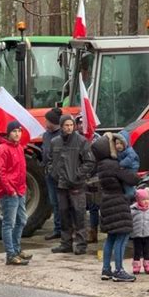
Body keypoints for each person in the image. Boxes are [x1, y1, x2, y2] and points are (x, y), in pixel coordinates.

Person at [91, 133, 140, 282]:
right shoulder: (114, 165)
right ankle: (119, 270)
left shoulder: (101, 165)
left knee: (111, 237)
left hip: (106, 201)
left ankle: (106, 269)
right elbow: (131, 179)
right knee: (123, 235)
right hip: (118, 202)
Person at [48, 114, 95, 255]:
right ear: (61, 126)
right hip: (60, 185)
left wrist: (77, 175)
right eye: (66, 125)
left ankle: (81, 244)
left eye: (71, 125)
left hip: (76, 185)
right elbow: (50, 160)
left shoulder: (81, 141)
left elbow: (90, 162)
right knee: (63, 215)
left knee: (79, 215)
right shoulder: (55, 142)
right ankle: (65, 243)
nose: (69, 128)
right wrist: (53, 172)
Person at [0, 121, 32, 265]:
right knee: (9, 223)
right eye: (14, 131)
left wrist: (23, 187)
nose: (17, 134)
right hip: (9, 192)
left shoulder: (20, 148)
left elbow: (21, 170)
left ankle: (16, 248)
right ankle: (10, 254)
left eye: (19, 131)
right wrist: (10, 190)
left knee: (22, 220)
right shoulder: (2, 149)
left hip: (20, 190)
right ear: (8, 133)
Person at [75, 115, 101, 243]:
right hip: (79, 175)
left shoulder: (97, 139)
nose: (81, 125)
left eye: (84, 122)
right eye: (79, 123)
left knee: (93, 206)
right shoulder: (73, 139)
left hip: (94, 176)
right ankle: (80, 232)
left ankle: (93, 232)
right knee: (79, 206)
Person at [42, 108, 63, 240]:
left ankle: (64, 229)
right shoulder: (46, 135)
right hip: (48, 173)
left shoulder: (62, 136)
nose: (45, 122)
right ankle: (57, 229)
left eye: (47, 120)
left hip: (59, 174)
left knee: (62, 203)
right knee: (54, 202)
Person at [112, 130, 140, 200]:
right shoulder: (119, 152)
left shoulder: (129, 150)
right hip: (126, 169)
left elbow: (129, 159)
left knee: (127, 183)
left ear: (126, 143)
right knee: (126, 183)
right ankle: (133, 194)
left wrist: (120, 164)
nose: (118, 146)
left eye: (121, 143)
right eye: (117, 143)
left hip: (132, 168)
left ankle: (131, 196)